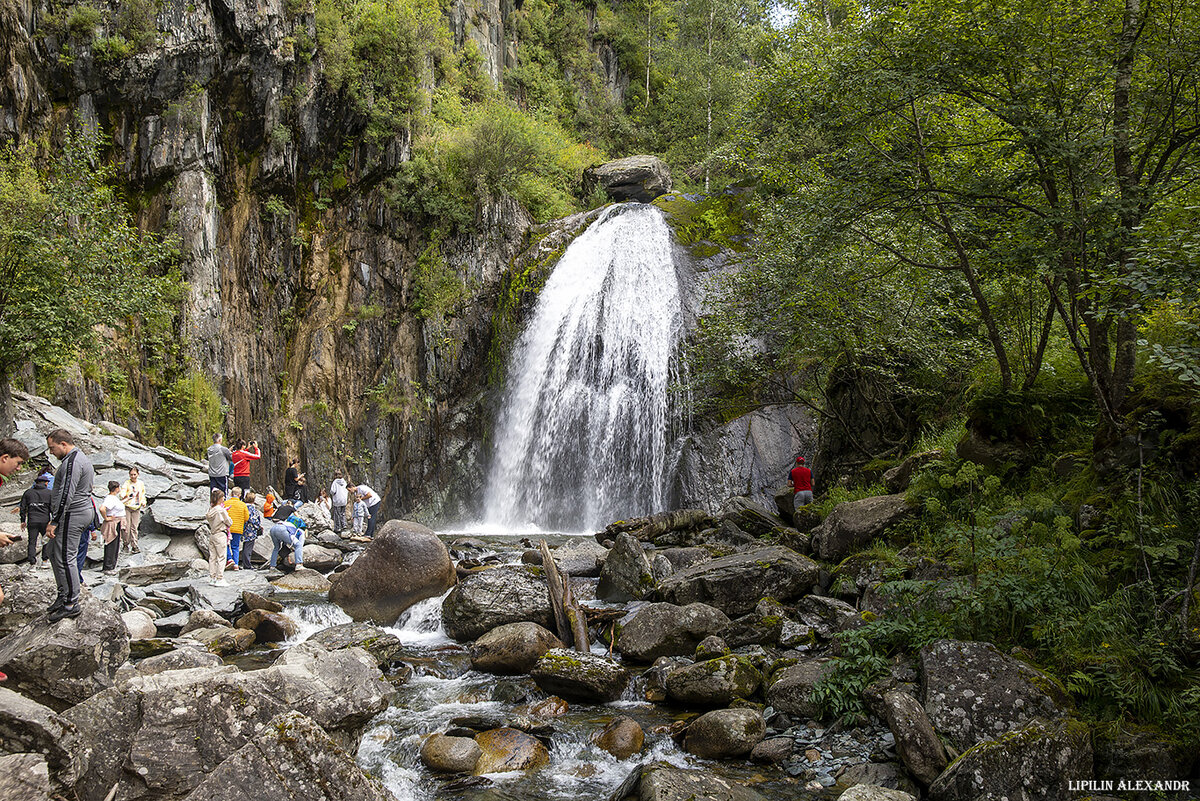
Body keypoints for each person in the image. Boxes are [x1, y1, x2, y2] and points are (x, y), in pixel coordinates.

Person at [45, 429, 95, 622]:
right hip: (75, 513)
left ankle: (71, 603)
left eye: (52, 448)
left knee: (66, 556)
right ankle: (63, 594)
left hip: (73, 514)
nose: (51, 453)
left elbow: (67, 493)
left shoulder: (74, 461)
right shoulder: (74, 459)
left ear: (63, 444)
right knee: (52, 551)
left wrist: (54, 520)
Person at [19, 473, 52, 567]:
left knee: (32, 542)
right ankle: (45, 561)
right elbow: (53, 507)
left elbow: (23, 507)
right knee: (46, 540)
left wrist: (22, 520)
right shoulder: (49, 493)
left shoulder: (28, 492)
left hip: (32, 520)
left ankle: (32, 564)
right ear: (46, 483)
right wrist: (53, 520)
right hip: (45, 521)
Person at [205, 489, 232, 587]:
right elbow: (229, 522)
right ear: (220, 499)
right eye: (223, 497)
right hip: (220, 534)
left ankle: (212, 577)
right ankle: (220, 578)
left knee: (212, 557)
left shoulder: (210, 509)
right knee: (221, 557)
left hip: (212, 534)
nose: (224, 498)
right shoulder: (220, 510)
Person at [99, 480, 124, 575]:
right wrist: (106, 517)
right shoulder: (110, 498)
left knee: (115, 543)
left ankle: (112, 565)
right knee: (111, 543)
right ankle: (108, 566)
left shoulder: (113, 498)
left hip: (116, 521)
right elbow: (102, 508)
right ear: (116, 488)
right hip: (112, 522)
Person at [119, 467, 146, 553]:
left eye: (134, 474)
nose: (133, 476)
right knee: (126, 526)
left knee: (134, 527)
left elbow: (142, 494)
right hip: (128, 507)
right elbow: (122, 491)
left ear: (138, 474)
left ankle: (134, 545)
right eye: (131, 474)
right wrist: (123, 495)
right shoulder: (127, 483)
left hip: (136, 508)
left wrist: (143, 502)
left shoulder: (140, 483)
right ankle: (125, 544)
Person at [223, 487, 250, 571]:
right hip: (238, 528)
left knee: (226, 544)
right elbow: (246, 517)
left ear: (231, 494)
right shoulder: (243, 504)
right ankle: (236, 564)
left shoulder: (226, 503)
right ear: (240, 495)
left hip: (228, 528)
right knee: (235, 546)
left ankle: (229, 559)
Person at [240, 491, 262, 570]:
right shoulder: (252, 509)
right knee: (248, 548)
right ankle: (247, 565)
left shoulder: (243, 507)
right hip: (251, 531)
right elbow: (255, 520)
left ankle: (244, 563)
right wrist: (258, 527)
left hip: (243, 529)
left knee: (245, 546)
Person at [329, 470, 348, 536]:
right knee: (343, 513)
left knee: (337, 514)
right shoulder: (344, 482)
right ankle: (344, 525)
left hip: (337, 500)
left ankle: (338, 528)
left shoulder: (335, 482)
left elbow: (332, 491)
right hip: (344, 500)